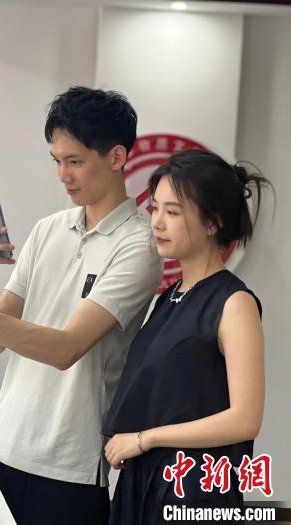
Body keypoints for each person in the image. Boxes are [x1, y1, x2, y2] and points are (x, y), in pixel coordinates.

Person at [0, 86, 162, 524]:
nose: (63, 175)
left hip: (70, 463)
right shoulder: (48, 229)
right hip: (7, 443)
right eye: (56, 161)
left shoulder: (138, 246)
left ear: (117, 157)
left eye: (74, 161)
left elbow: (65, 349)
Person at [102, 150, 270, 524]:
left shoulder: (234, 303)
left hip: (192, 492)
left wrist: (145, 438)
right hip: (144, 482)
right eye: (155, 208)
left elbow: (245, 419)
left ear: (213, 222)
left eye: (173, 212)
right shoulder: (170, 296)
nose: (157, 222)